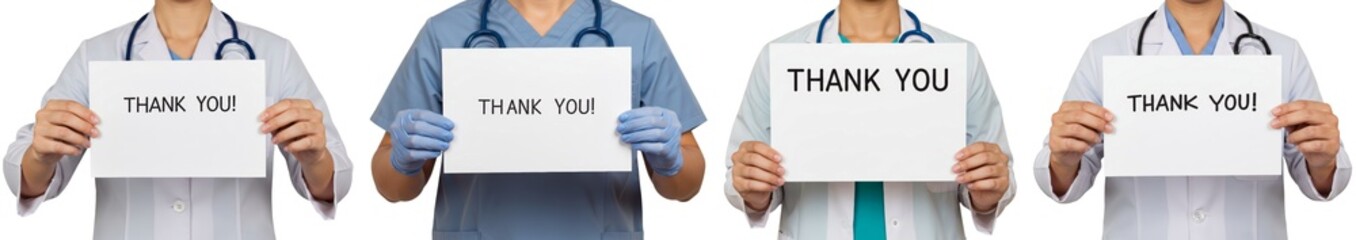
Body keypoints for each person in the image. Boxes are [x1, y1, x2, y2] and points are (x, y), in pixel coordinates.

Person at [2, 0, 353, 239]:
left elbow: (332, 183)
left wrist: (316, 157)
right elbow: (28, 181)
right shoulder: (95, 54)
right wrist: (40, 154)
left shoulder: (274, 53)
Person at [368, 0, 706, 238]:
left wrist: (670, 160)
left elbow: (686, 187)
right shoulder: (445, 32)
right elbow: (391, 188)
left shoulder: (637, 33)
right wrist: (403, 161)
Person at [1034, 0, 1350, 239]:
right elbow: (1064, 183)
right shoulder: (1105, 53)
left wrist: (1322, 161)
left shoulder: (1284, 53)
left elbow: (1321, 182)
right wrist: (1063, 159)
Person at [724, 0, 1013, 239]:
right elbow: (740, 179)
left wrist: (986, 191)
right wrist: (754, 188)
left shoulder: (959, 58)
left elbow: (997, 178)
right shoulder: (780, 59)